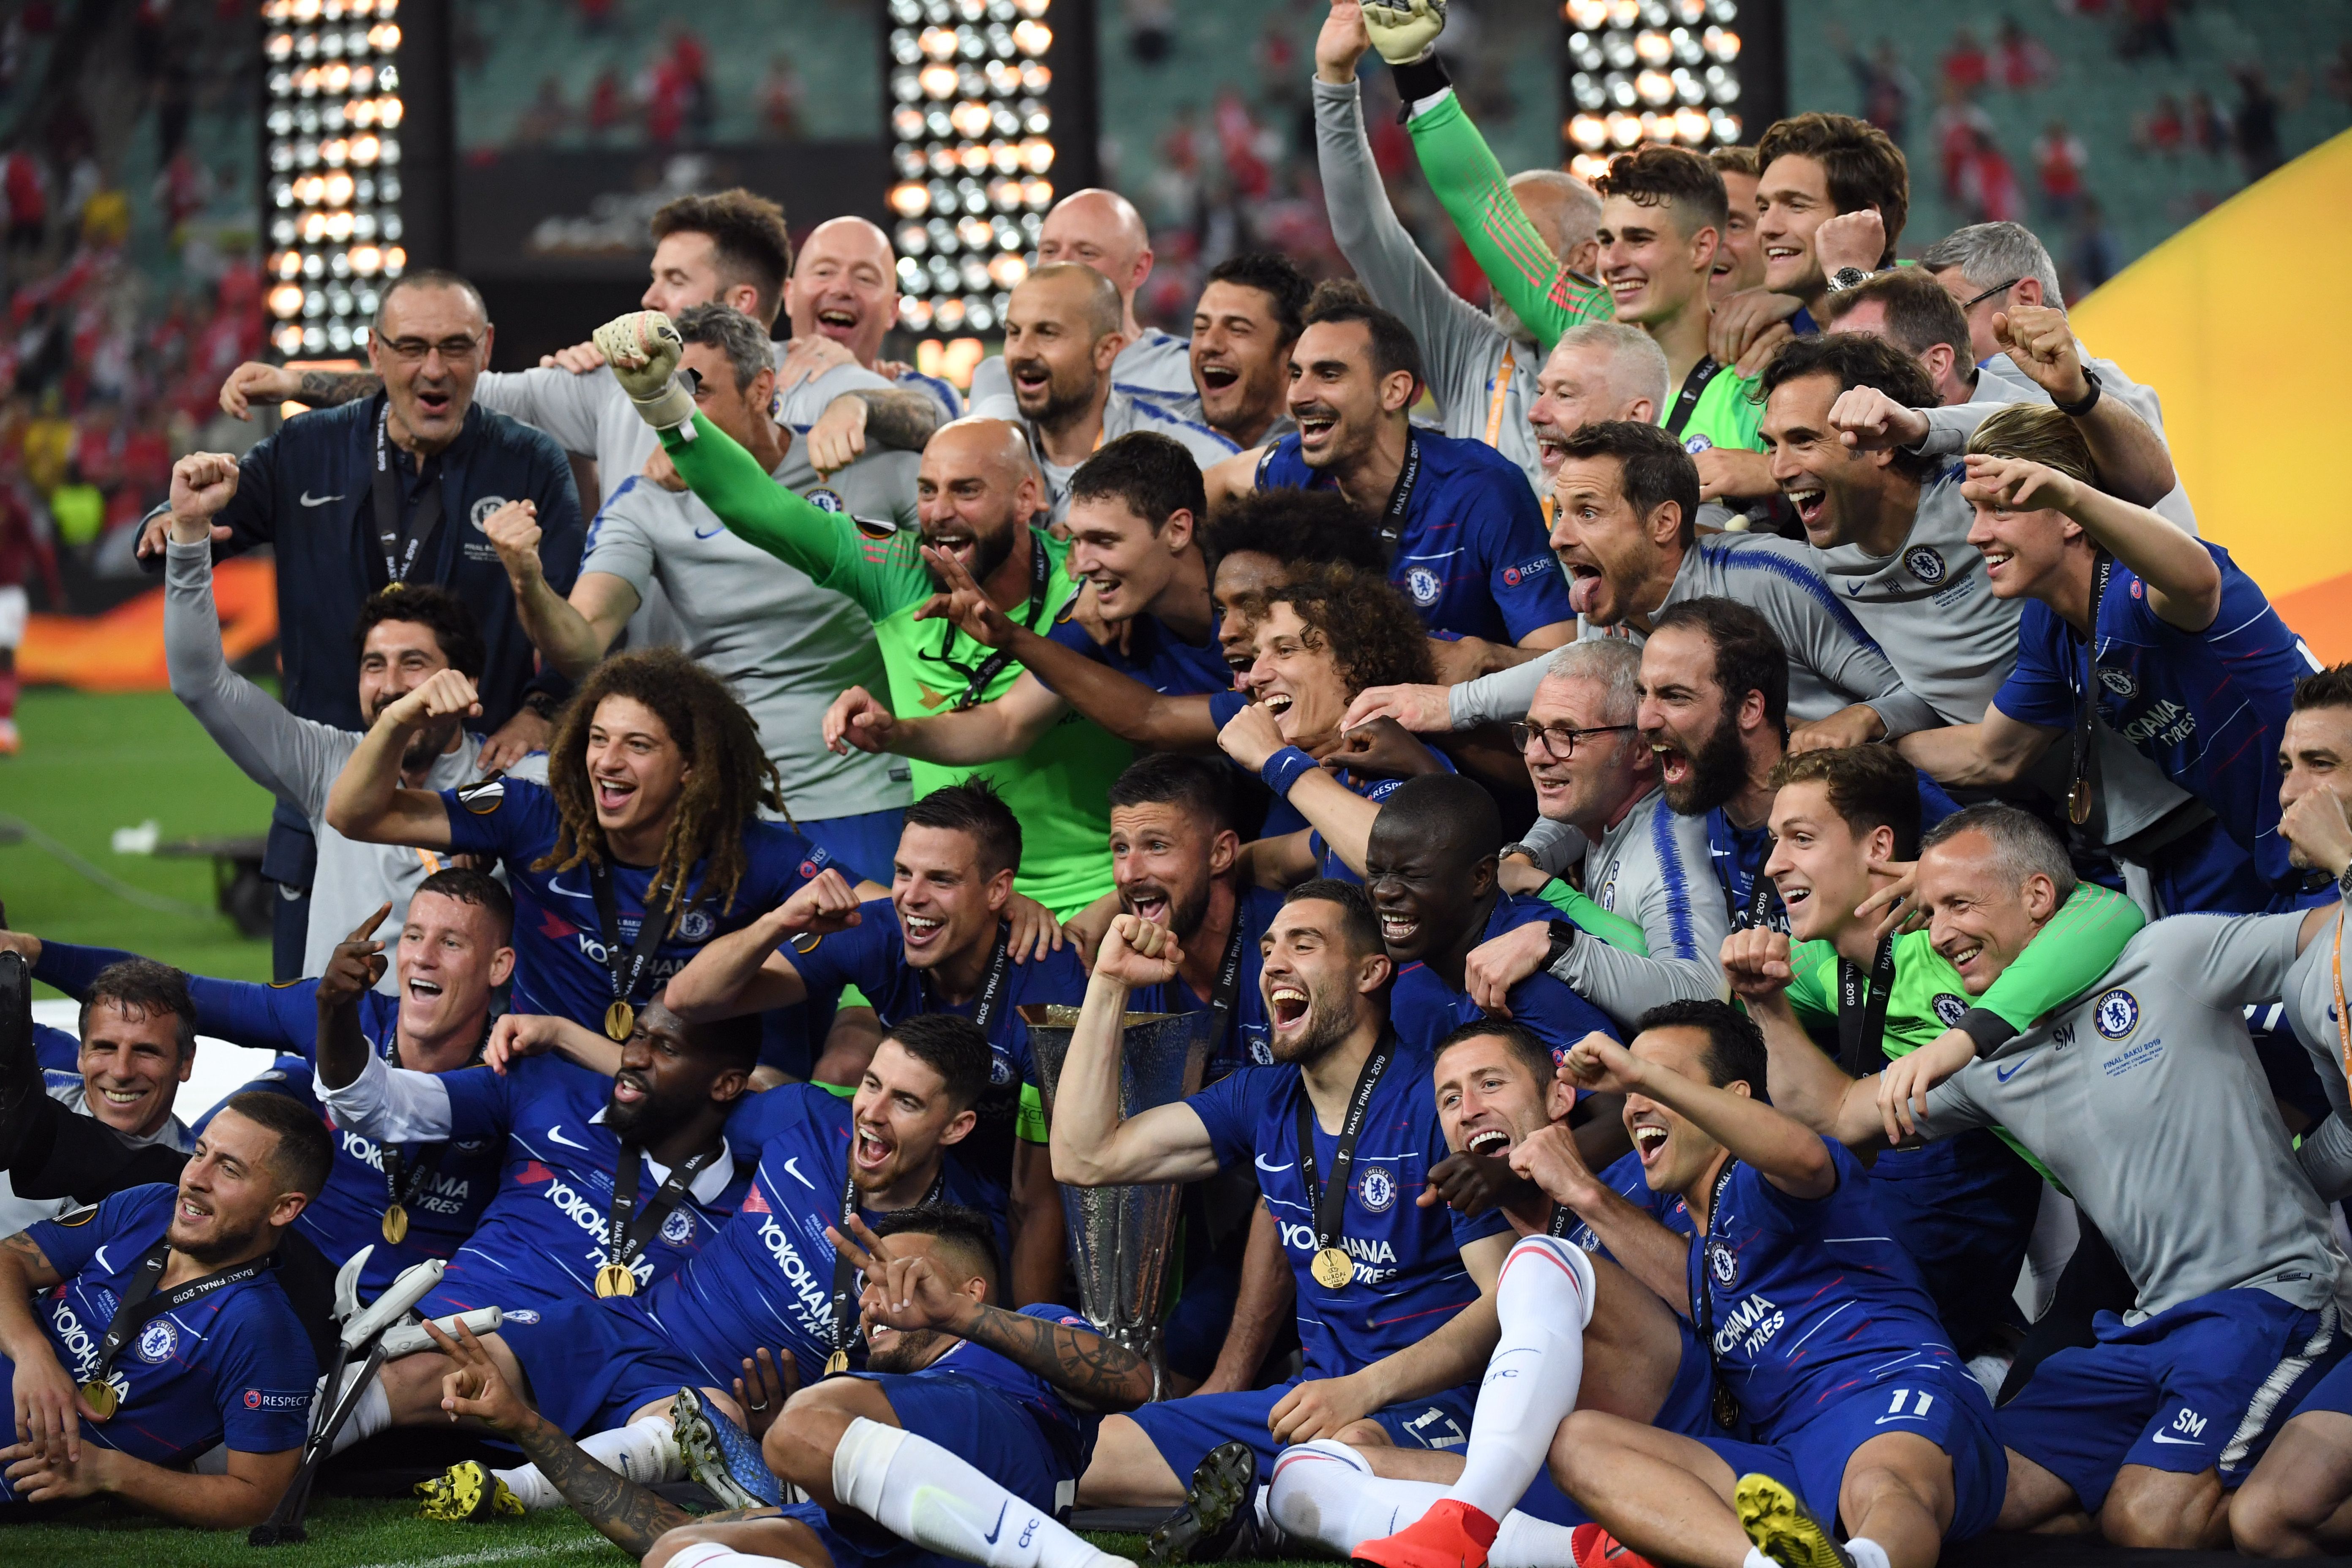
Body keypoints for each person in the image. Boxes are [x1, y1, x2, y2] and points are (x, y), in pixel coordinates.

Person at [1755, 805, 2347, 1550]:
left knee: (2146, 1518)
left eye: (1958, 905)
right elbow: (1838, 1114)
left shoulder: (2166, 956)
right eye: (1930, 911)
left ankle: (2251, 1491)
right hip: (2143, 1324)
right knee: (1984, 1494)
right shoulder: (1984, 1065)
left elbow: (2326, 930)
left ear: (2036, 897)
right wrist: (1767, 1005)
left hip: (2268, 1298)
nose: (1936, 933)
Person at [610, 305, 1127, 915]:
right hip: (952, 903)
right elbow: (766, 510)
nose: (940, 513)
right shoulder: (900, 572)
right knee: (848, 1013)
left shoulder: (1091, 580)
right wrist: (665, 405)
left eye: (967, 491)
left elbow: (1011, 725)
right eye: (927, 492)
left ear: (1028, 497)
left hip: (1093, 897)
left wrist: (1127, 580)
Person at [144, 270, 585, 980]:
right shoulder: (305, 449)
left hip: (474, 786)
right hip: (319, 783)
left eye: (454, 347)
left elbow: (580, 623)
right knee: (309, 1023)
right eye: (411, 347)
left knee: (477, 1013)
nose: (433, 369)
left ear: (486, 349)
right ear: (375, 354)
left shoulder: (529, 461)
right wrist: (176, 528)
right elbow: (203, 518)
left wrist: (542, 707)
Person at [409, 1015, 1007, 1522]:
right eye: (872, 1084)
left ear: (956, 1127)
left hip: (723, 1406)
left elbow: (919, 1386)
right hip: (634, 1329)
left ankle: (513, 1489)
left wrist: (799, 1412)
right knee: (450, 1356)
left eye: (906, 1102)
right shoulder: (805, 1117)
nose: (872, 1113)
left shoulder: (953, 1247)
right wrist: (564, 1035)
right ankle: (321, 1426)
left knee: (706, 1420)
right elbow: (689, 1092)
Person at [1052, 885, 1513, 1521]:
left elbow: (1506, 1302)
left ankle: (1274, 1514)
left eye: (1305, 944)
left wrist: (1363, 1391)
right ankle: (1286, 1504)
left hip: (1440, 1402)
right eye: (1268, 948)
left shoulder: (1436, 1098)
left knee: (1348, 1454)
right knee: (1090, 1456)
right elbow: (1084, 1156)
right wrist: (1108, 984)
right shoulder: (1258, 1098)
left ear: (1371, 971)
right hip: (1311, 1407)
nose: (1273, 964)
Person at [419, 1206, 1152, 1568]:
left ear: (969, 1285)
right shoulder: (855, 1404)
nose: (874, 1299)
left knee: (798, 1430)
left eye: (899, 1278)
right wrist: (528, 1426)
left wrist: (964, 1317)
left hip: (1009, 1476)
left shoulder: (1012, 1341)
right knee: (679, 1554)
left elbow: (1134, 1381)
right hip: (900, 1535)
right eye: (865, 1286)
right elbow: (661, 1527)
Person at [1540, 1001, 2008, 1568]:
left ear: (1733, 1099)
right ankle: (1772, 1564)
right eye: (1633, 1091)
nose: (1636, 1105)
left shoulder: (1764, 1177)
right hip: (1788, 1456)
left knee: (1880, 1483)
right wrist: (1580, 1192)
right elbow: (1687, 1283)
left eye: (1663, 1083)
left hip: (1889, 1391)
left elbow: (1805, 1156)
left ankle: (1867, 1562)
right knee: (1578, 1443)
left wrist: (1641, 1074)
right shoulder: (1696, 1242)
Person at [1717, 745, 2139, 1365]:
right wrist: (1753, 993)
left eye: (1801, 839)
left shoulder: (1971, 939)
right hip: (2110, 1224)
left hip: (2196, 1193)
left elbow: (2108, 911)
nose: (1775, 865)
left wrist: (1962, 1035)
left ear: (1880, 849)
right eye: (1774, 842)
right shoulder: (1813, 969)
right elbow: (1761, 1067)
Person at [483, 302, 910, 881]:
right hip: (731, 806)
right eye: (655, 392)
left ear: (762, 389)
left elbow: (949, 434)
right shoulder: (646, 502)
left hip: (868, 794)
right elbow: (581, 645)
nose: (671, 409)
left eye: (692, 389)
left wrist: (859, 401)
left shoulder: (860, 463)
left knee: (876, 965)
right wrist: (528, 581)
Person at [1269, 1018, 1710, 1568]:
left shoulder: (1641, 1172)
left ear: (1560, 1098)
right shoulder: (1483, 1215)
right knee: (1305, 1472)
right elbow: (1500, 1315)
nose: (1468, 1109)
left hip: (1671, 1433)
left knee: (1540, 1261)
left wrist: (1577, 1188)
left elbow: (1712, 1294)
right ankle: (1583, 1553)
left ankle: (1469, 1521)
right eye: (1449, 1098)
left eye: (1491, 1084)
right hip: (1550, 1460)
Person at [309, 988, 759, 1486]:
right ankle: (244, 1466)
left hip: (580, 1380)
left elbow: (804, 1100)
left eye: (666, 1049)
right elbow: (380, 1105)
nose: (632, 1057)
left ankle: (515, 1491)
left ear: (728, 1085)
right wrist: (335, 1008)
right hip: (448, 1335)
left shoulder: (749, 1209)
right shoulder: (550, 1092)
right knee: (433, 1358)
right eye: (635, 1037)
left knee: (709, 1413)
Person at [664, 784, 1083, 1305]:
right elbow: (687, 999)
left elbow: (1038, 1203)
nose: (911, 896)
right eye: (905, 872)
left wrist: (1023, 1348)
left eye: (942, 880)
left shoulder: (1050, 999)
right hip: (901, 1162)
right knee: (768, 1091)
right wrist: (778, 922)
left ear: (999, 891)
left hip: (989, 1202)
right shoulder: (884, 929)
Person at [1899, 408, 2323, 916]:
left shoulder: (2138, 586)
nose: (1977, 535)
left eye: (2001, 509)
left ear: (2071, 515)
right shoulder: (2047, 624)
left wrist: (2075, 492)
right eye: (1976, 512)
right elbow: (1993, 752)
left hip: (2335, 829)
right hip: (2287, 853)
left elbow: (2199, 581)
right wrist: (1872, 746)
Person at [14, 872, 513, 1296]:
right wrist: (31, 952)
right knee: (254, 1115)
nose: (423, 958)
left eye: (451, 943)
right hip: (279, 1266)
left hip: (415, 1306)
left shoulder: (514, 1073)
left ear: (500, 965)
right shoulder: (335, 1009)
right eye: (413, 936)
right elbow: (172, 991)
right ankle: (26, 1128)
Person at [325, 650, 855, 1040]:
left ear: (692, 768)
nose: (607, 761)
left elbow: (884, 914)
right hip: (536, 1091)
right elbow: (354, 813)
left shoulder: (746, 853)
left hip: (671, 1100)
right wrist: (399, 719)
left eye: (638, 745)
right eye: (598, 739)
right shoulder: (526, 810)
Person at [163, 495, 546, 985]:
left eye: (413, 663)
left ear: (465, 681)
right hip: (341, 1052)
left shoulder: (510, 781)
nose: (390, 687)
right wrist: (191, 535)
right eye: (373, 665)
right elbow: (200, 683)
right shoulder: (325, 763)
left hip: (464, 1055)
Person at [1356, 423, 1936, 742]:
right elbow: (1587, 658)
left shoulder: (1769, 578)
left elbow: (1921, 700)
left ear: (1663, 524)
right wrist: (1453, 705)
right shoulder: (1611, 603)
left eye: (1588, 512)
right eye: (1560, 514)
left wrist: (1858, 722)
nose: (1557, 538)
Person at [1313, 0, 1607, 490]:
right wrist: (1335, 80)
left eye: (1521, 238)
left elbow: (1482, 200)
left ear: (1586, 258)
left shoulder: (1630, 348)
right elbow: (1363, 233)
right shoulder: (1467, 353)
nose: (1494, 260)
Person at [0, 1095, 331, 1525]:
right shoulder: (149, 1206)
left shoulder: (263, 1330)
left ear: (285, 1208)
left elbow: (260, 1497)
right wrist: (33, 1355)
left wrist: (111, 1472)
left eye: (228, 1169)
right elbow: (9, 1259)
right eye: (199, 1153)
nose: (195, 1178)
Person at [1206, 282, 1577, 662]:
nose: (1299, 396)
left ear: (1395, 391)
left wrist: (1479, 658)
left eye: (1329, 375)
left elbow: (1558, 657)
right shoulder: (1293, 469)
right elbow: (1215, 483)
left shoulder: (1481, 492)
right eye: (1297, 374)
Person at [821, 435, 1229, 774]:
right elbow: (1007, 723)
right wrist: (895, 733)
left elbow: (1153, 721)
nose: (1081, 563)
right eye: (1078, 539)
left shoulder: (1264, 605)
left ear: (1178, 530)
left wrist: (1015, 639)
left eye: (1105, 541)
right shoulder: (1097, 616)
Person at [1461, 639, 1727, 1032]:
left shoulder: (1671, 851)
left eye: (1567, 735)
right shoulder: (1606, 801)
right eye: (1533, 731)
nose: (1536, 755)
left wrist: (1555, 944)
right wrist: (1526, 857)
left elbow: (1704, 996)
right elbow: (1572, 807)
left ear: (1639, 750)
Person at [1214, 568, 1451, 886]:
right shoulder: (1340, 776)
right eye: (1257, 656)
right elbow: (1275, 860)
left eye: (1285, 650)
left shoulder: (1393, 760)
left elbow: (1399, 864)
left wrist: (1277, 761)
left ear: (1354, 663)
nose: (1255, 676)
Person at [1364, 774, 1617, 1062]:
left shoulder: (1530, 984)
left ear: (1481, 877)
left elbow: (1616, 1102)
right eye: (1375, 872)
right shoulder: (1443, 945)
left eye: (1412, 876)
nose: (1384, 891)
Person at [991, 265, 1237, 524]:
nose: (1023, 352)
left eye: (1048, 334)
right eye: (1014, 333)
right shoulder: (989, 451)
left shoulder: (1190, 457)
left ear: (1106, 351)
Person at [0, 958, 200, 1236]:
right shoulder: (11, 1099)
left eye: (146, 1051)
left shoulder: (197, 1181)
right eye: (105, 1047)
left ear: (185, 1062)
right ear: (82, 1054)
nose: (121, 1072)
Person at [968, 186, 1197, 414]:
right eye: (1050, 251)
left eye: (1086, 253)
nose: (1062, 265)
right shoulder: (1002, 379)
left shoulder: (1188, 374)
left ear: (1139, 269)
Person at [1156, 252, 1314, 450]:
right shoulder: (1155, 433)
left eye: (1237, 330)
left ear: (1293, 356)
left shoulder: (1325, 462)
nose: (1209, 345)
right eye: (1201, 327)